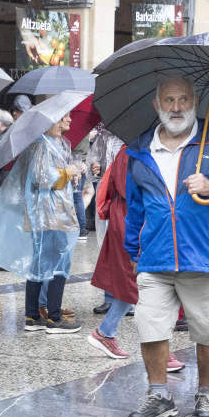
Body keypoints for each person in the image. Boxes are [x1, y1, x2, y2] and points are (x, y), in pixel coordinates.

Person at [124, 75, 209, 417]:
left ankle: (206, 393)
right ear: (157, 105)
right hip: (155, 256)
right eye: (169, 100)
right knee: (150, 327)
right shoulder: (139, 149)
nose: (176, 107)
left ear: (195, 102)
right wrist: (133, 249)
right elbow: (135, 205)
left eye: (183, 99)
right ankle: (159, 395)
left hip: (204, 256)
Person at [0, 111, 82, 335]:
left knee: (39, 265)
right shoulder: (42, 145)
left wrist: (70, 174)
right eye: (64, 116)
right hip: (50, 215)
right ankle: (54, 318)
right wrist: (67, 172)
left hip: (48, 213)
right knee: (58, 265)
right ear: (52, 120)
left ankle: (33, 315)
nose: (69, 120)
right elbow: (43, 178)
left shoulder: (50, 143)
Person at [87, 145, 135, 359]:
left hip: (126, 218)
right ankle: (106, 332)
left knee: (137, 284)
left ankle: (106, 332)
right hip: (130, 220)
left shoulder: (130, 150)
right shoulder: (132, 152)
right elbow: (131, 189)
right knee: (135, 283)